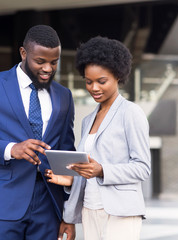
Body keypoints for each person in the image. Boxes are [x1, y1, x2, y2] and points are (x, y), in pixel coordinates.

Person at [0, 25, 76, 240]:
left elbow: (67, 151)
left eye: (54, 62)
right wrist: (11, 149)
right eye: (40, 61)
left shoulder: (64, 96)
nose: (48, 68)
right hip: (3, 201)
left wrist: (69, 214)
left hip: (49, 204)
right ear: (23, 53)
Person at [46, 36, 151, 240]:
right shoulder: (88, 120)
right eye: (88, 81)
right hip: (89, 209)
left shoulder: (130, 113)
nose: (94, 88)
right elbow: (87, 171)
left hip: (121, 212)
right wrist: (70, 180)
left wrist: (102, 170)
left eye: (101, 81)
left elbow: (142, 168)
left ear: (118, 77)